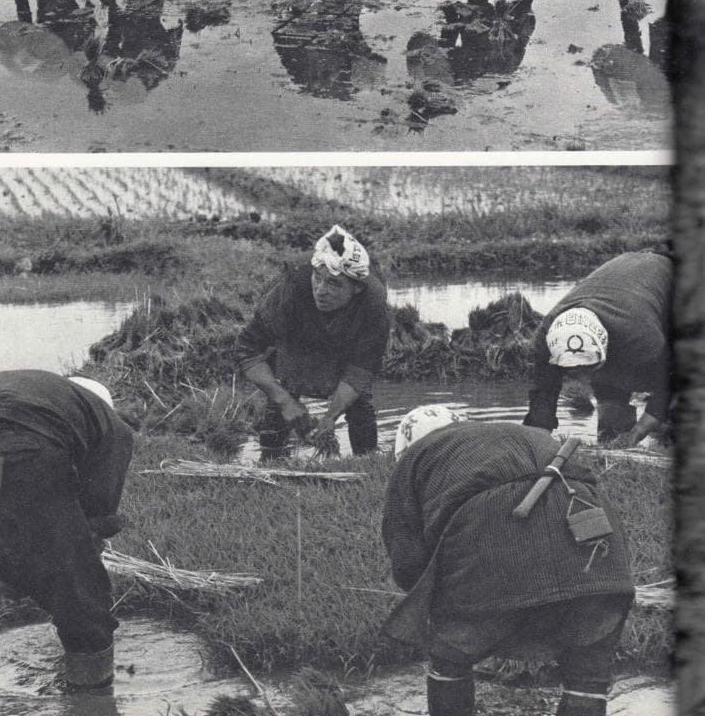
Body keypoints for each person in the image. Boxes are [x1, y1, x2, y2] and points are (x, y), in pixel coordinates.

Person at [382, 406, 635, 716]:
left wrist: (433, 603)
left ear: (404, 447)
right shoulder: (518, 433)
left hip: (494, 537)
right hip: (594, 540)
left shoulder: (414, 457)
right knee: (588, 672)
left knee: (451, 653)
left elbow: (407, 558)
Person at [0, 371, 134, 690]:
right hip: (21, 446)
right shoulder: (110, 424)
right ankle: (91, 696)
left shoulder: (39, 390)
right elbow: (96, 519)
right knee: (79, 585)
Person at [236, 225, 390, 456]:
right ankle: (270, 459)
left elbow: (361, 368)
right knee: (282, 401)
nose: (321, 290)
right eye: (318, 278)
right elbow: (247, 350)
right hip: (297, 337)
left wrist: (330, 418)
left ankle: (367, 464)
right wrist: (285, 400)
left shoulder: (373, 304)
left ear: (356, 288)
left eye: (334, 284)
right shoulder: (289, 289)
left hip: (346, 343)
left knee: (359, 404)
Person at [523, 249, 673, 445]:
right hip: (628, 281)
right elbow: (543, 394)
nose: (582, 378)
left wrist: (639, 430)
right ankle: (618, 435)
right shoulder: (545, 339)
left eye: (586, 368)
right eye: (572, 369)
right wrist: (536, 441)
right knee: (611, 424)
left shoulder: (640, 336)